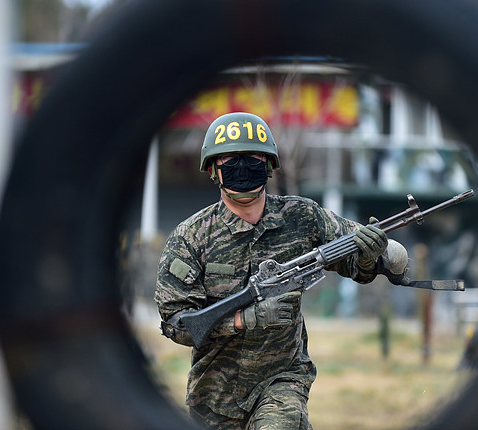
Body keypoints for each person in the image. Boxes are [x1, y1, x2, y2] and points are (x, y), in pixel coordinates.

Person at [154, 112, 390, 430]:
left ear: (268, 164)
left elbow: (357, 263)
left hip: (282, 380)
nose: (242, 166)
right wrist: (243, 320)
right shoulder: (191, 237)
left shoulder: (303, 216)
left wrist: (368, 255)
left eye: (252, 157)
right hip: (214, 396)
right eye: (230, 159)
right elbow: (176, 323)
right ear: (212, 168)